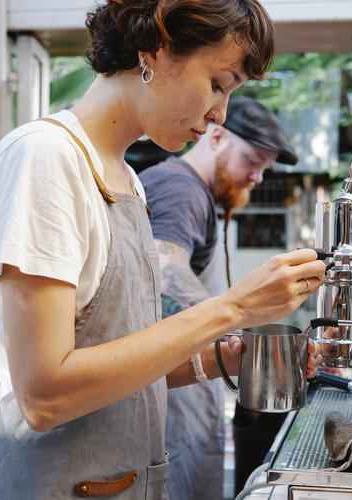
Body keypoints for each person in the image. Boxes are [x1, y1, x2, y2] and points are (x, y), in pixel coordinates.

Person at [0, 1, 326, 499]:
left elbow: (117, 363)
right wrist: (234, 307)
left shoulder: (127, 180)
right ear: (156, 49)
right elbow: (45, 394)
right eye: (218, 84)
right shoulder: (46, 159)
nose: (220, 113)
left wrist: (225, 361)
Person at [140, 95, 298, 500]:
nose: (258, 177)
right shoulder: (181, 189)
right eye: (253, 160)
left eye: (265, 167)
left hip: (181, 389)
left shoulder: (191, 191)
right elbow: (163, 273)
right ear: (215, 137)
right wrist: (241, 329)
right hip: (169, 400)